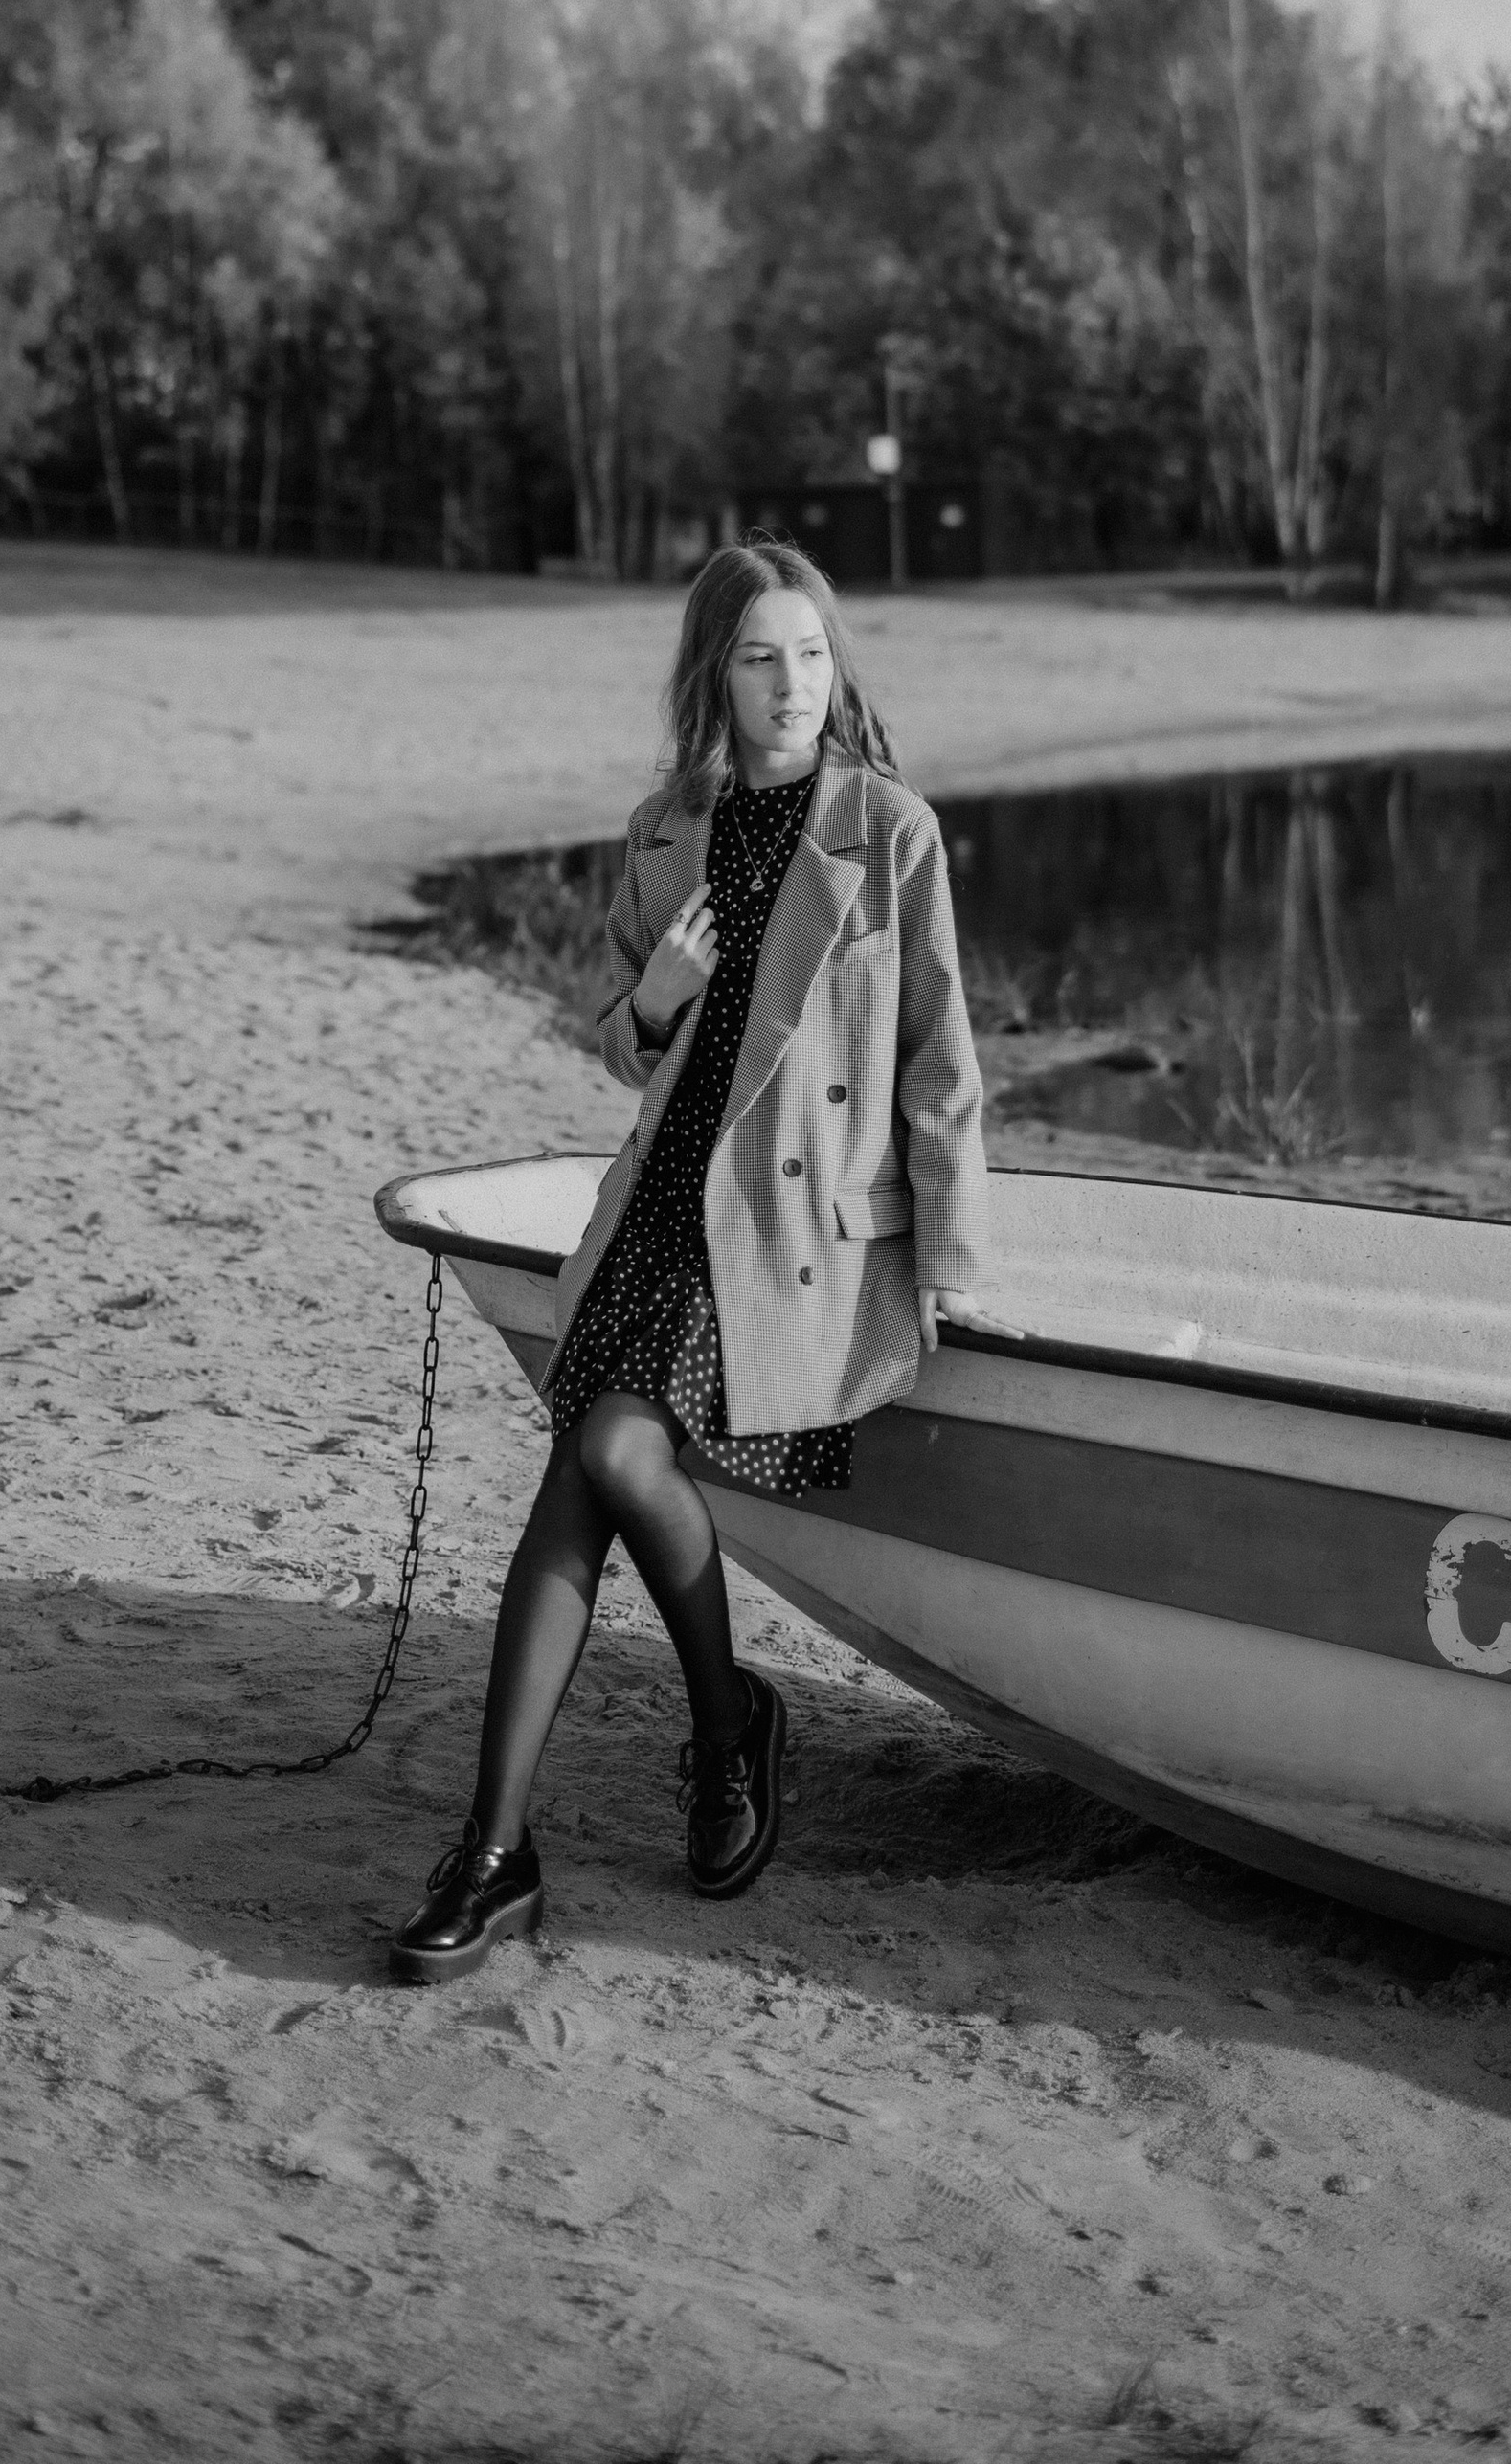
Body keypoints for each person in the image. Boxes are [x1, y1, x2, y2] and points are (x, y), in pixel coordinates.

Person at [393, 538, 1004, 1983]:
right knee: (592, 1462)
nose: (792, 684)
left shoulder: (889, 830)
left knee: (595, 1453)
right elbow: (632, 1048)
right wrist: (653, 1001)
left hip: (792, 1236)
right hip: (662, 1206)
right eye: (758, 658)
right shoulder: (665, 828)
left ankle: (530, 1833)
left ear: (835, 664)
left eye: (810, 652)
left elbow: (944, 1067)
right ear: (713, 677)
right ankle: (675, 1750)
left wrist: (951, 1262)